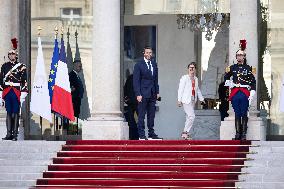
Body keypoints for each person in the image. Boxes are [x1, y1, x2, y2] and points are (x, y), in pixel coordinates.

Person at [224, 45, 256, 140]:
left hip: (245, 92)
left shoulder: (249, 68)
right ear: (236, 56)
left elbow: (253, 82)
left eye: (241, 55)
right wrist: (231, 83)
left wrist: (252, 93)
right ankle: (238, 133)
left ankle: (244, 134)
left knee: (244, 113)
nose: (239, 57)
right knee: (237, 113)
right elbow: (225, 78)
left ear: (244, 56)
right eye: (238, 55)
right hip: (235, 92)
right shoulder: (232, 68)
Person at [1, 38, 28, 141]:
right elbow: (1, 80)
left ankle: (15, 134)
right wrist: (0, 93)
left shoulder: (21, 66)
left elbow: (24, 80)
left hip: (16, 91)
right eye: (10, 54)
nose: (12, 55)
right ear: (8, 55)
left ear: (16, 55)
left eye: (13, 54)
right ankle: (8, 134)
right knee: (8, 112)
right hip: (7, 91)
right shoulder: (4, 66)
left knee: (15, 113)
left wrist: (24, 92)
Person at [133, 46, 161, 140]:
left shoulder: (154, 64)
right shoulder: (139, 64)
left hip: (152, 93)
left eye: (150, 53)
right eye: (147, 52)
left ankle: (151, 133)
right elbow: (136, 81)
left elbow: (155, 79)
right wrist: (138, 94)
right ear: (144, 53)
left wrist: (157, 92)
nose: (149, 54)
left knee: (151, 115)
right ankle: (141, 135)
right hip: (142, 93)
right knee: (141, 115)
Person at [177, 62, 205, 140]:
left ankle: (186, 134)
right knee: (192, 116)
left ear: (195, 69)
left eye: (193, 67)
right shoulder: (184, 78)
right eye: (190, 67)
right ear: (188, 69)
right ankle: (185, 132)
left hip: (193, 100)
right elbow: (180, 89)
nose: (191, 69)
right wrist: (179, 100)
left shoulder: (196, 79)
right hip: (185, 100)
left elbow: (197, 90)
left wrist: (201, 99)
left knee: (188, 117)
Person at [124, 72, 139, 140]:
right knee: (131, 121)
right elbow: (126, 89)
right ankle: (135, 136)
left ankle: (136, 136)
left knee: (134, 121)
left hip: (135, 103)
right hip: (131, 103)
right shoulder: (130, 78)